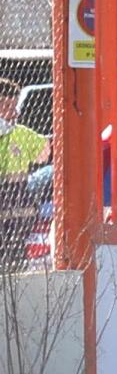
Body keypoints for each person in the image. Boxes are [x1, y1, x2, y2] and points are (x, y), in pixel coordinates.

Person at [0, 78, 51, 265]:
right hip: (14, 199)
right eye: (7, 106)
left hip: (19, 199)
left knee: (16, 254)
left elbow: (44, 154)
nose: (14, 113)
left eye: (14, 106)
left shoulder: (21, 133)